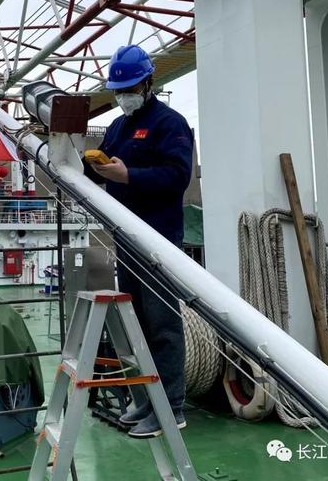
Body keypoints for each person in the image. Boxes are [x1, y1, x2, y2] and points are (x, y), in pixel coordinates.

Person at [84, 45, 193, 438]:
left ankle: (172, 409)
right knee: (140, 327)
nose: (123, 96)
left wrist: (128, 176)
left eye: (129, 89)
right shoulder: (117, 127)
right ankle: (148, 401)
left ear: (148, 83)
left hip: (159, 239)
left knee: (163, 326)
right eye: (119, 91)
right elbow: (97, 169)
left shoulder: (170, 123)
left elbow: (177, 176)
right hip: (126, 239)